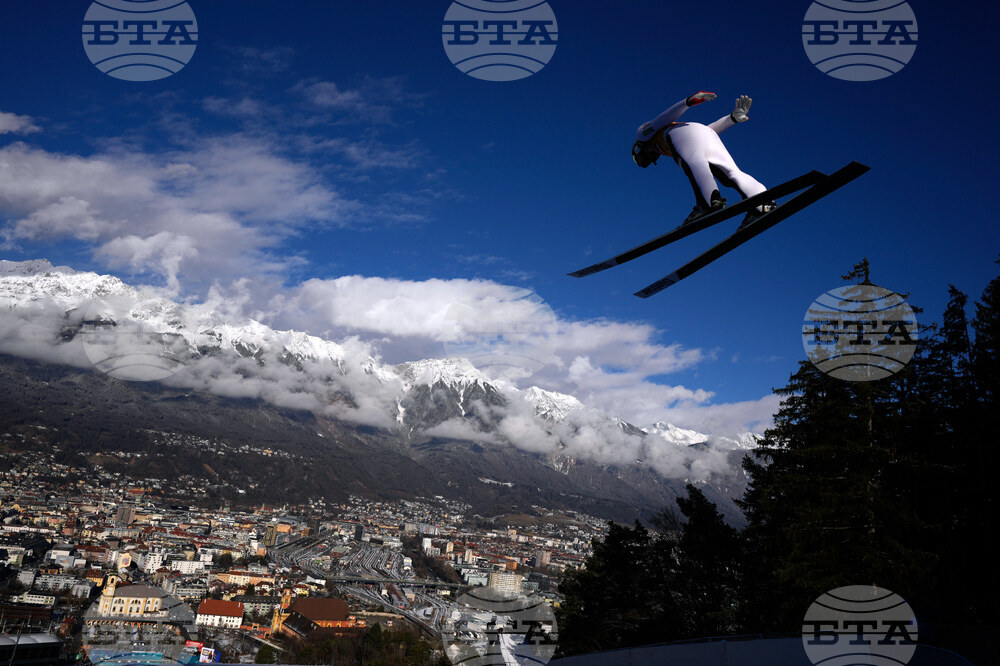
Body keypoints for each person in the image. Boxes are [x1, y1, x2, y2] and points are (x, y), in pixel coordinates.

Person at [632, 91, 772, 227]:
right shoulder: (666, 143)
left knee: (695, 163)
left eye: (636, 158)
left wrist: (687, 102)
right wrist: (731, 119)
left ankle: (708, 204)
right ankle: (761, 205)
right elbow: (702, 133)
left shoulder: (643, 135)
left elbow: (661, 120)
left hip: (685, 134)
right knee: (730, 173)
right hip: (706, 133)